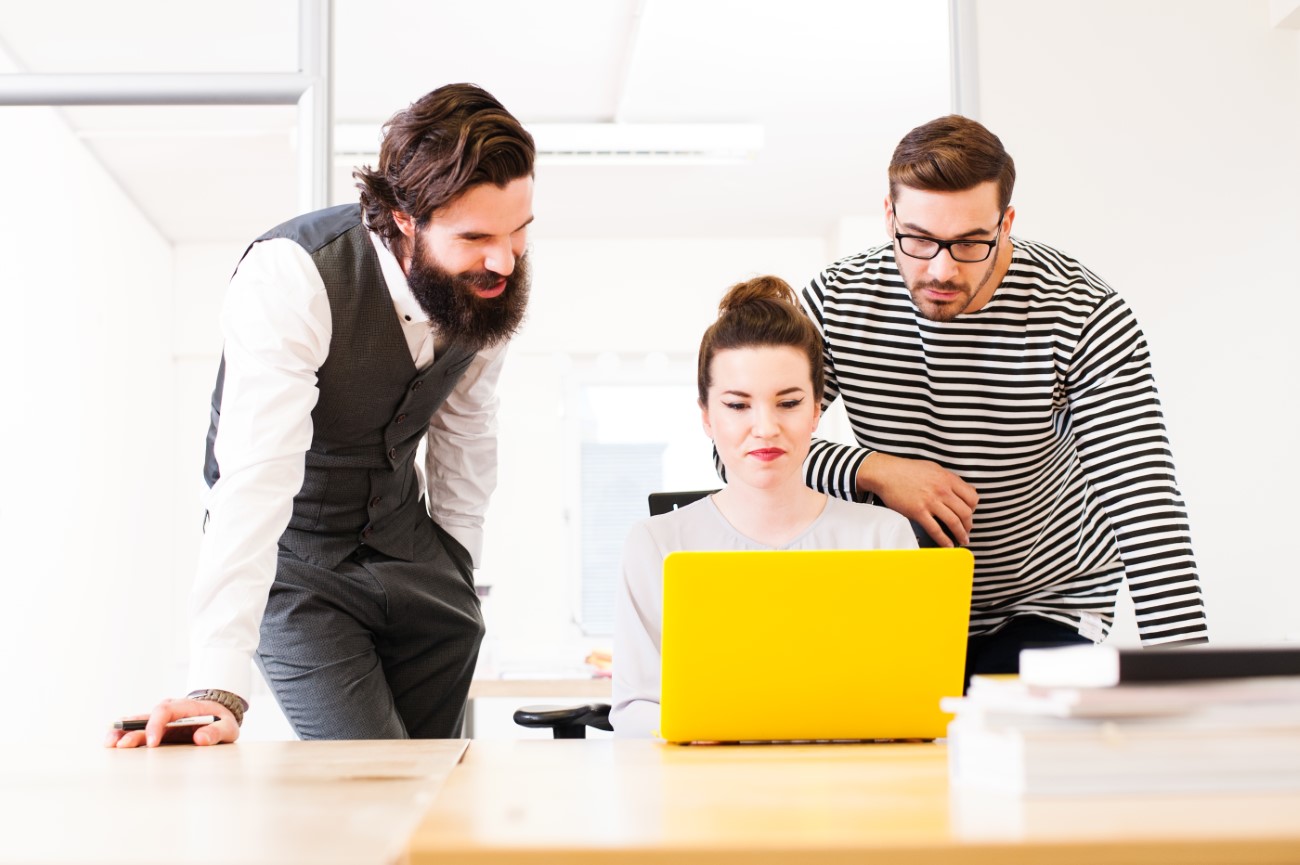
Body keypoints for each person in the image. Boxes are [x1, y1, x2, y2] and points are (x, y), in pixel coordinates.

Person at [107, 83, 535, 747]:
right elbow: (254, 475)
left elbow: (466, 434)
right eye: (476, 235)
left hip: (412, 549)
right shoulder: (293, 275)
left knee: (431, 792)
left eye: (518, 232)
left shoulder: (487, 284)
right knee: (373, 783)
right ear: (401, 219)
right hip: (299, 564)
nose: (503, 260)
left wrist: (455, 574)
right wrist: (216, 683)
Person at [800, 115, 1208, 684]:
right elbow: (741, 449)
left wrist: (1187, 683)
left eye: (969, 243)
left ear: (1006, 222)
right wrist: (874, 469)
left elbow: (1144, 506)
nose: (940, 269)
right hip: (902, 595)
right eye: (917, 240)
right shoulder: (838, 301)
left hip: (1048, 600)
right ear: (889, 217)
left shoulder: (1083, 313)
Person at [611, 276, 917, 738]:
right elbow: (633, 708)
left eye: (788, 403)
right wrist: (711, 727)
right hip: (707, 792)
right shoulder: (657, 544)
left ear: (817, 410)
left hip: (845, 795)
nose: (766, 427)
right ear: (706, 416)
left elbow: (909, 705)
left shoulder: (882, 537)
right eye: (738, 405)